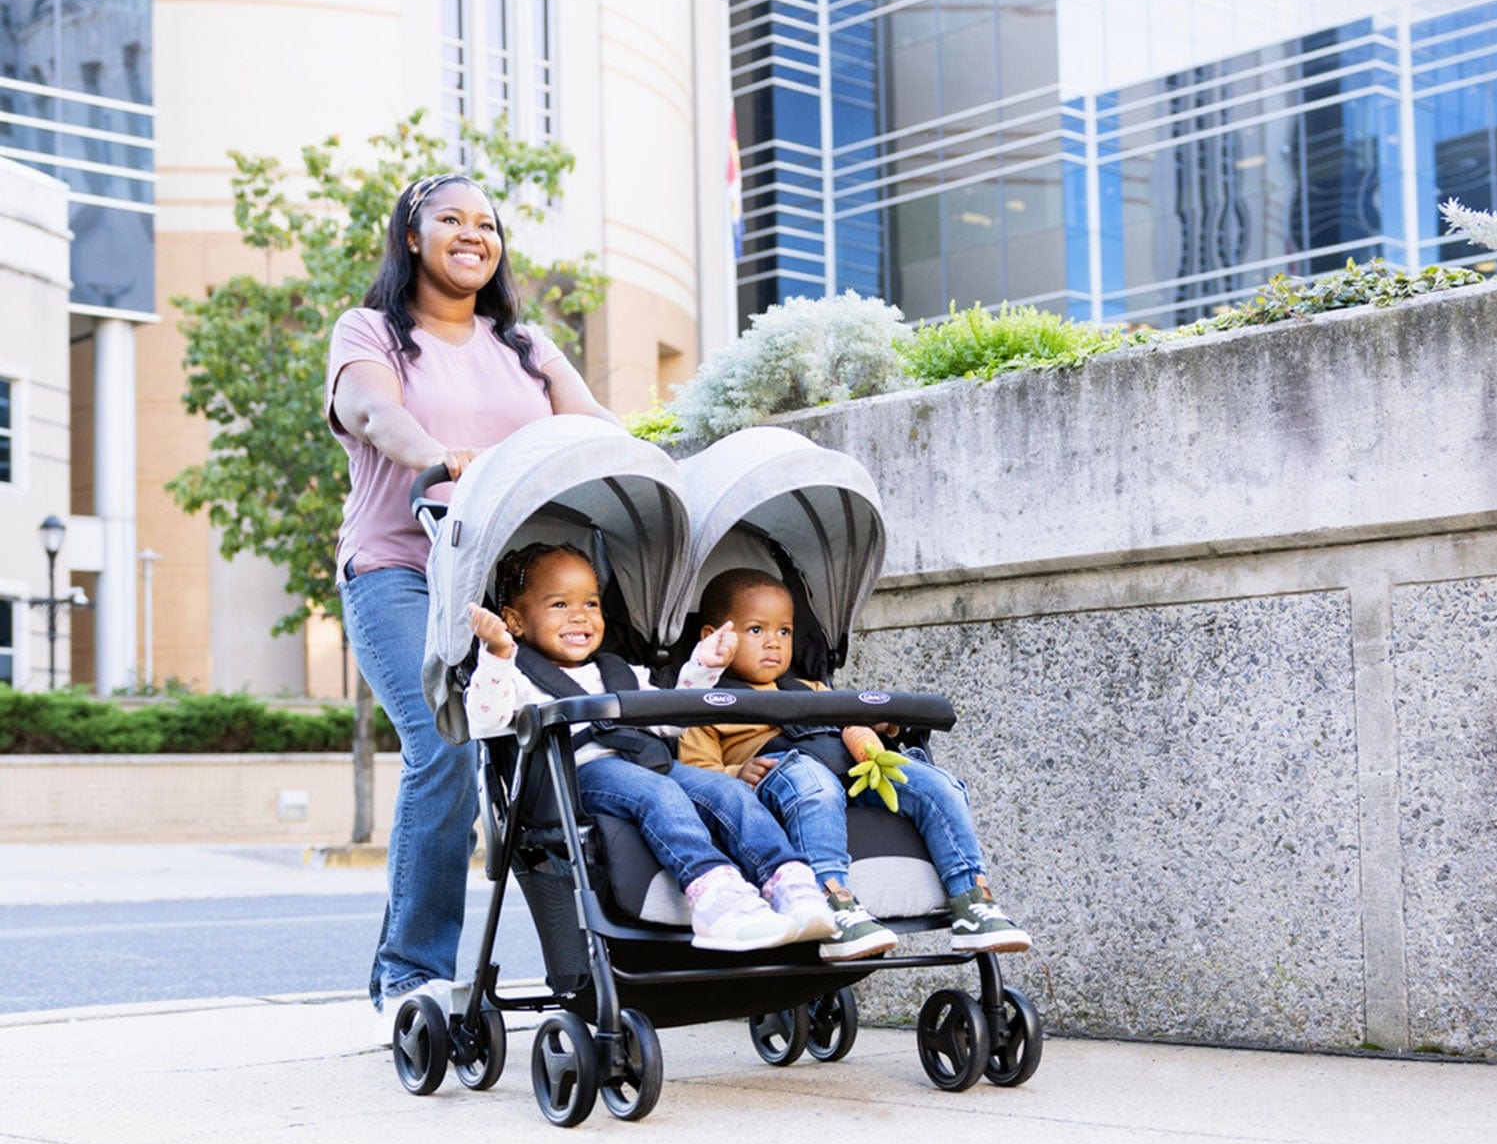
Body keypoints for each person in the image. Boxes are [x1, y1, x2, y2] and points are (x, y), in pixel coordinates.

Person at [329, 171, 618, 1020]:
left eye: (485, 224)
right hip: (402, 572)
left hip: (506, 590)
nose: (471, 234)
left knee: (546, 758)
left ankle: (584, 964)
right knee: (446, 748)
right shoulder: (372, 331)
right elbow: (374, 414)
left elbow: (592, 422)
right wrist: (443, 458)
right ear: (411, 237)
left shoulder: (524, 343)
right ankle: (410, 974)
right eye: (449, 219)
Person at [462, 542, 839, 951]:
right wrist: (497, 654)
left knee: (726, 791)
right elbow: (486, 717)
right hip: (575, 776)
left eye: (591, 603)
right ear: (515, 620)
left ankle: (791, 884)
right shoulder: (517, 678)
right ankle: (715, 896)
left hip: (645, 765)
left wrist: (703, 667)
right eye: (559, 604)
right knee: (656, 793)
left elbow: (671, 717)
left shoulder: (621, 672)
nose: (580, 615)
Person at [677, 567, 1033, 960]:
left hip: (849, 767)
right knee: (812, 780)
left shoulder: (810, 689)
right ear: (713, 637)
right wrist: (736, 774)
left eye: (784, 632)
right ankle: (834, 904)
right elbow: (695, 774)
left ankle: (972, 899)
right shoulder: (704, 705)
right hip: (783, 779)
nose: (774, 644)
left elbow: (852, 722)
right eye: (756, 631)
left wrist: (877, 725)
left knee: (934, 783)